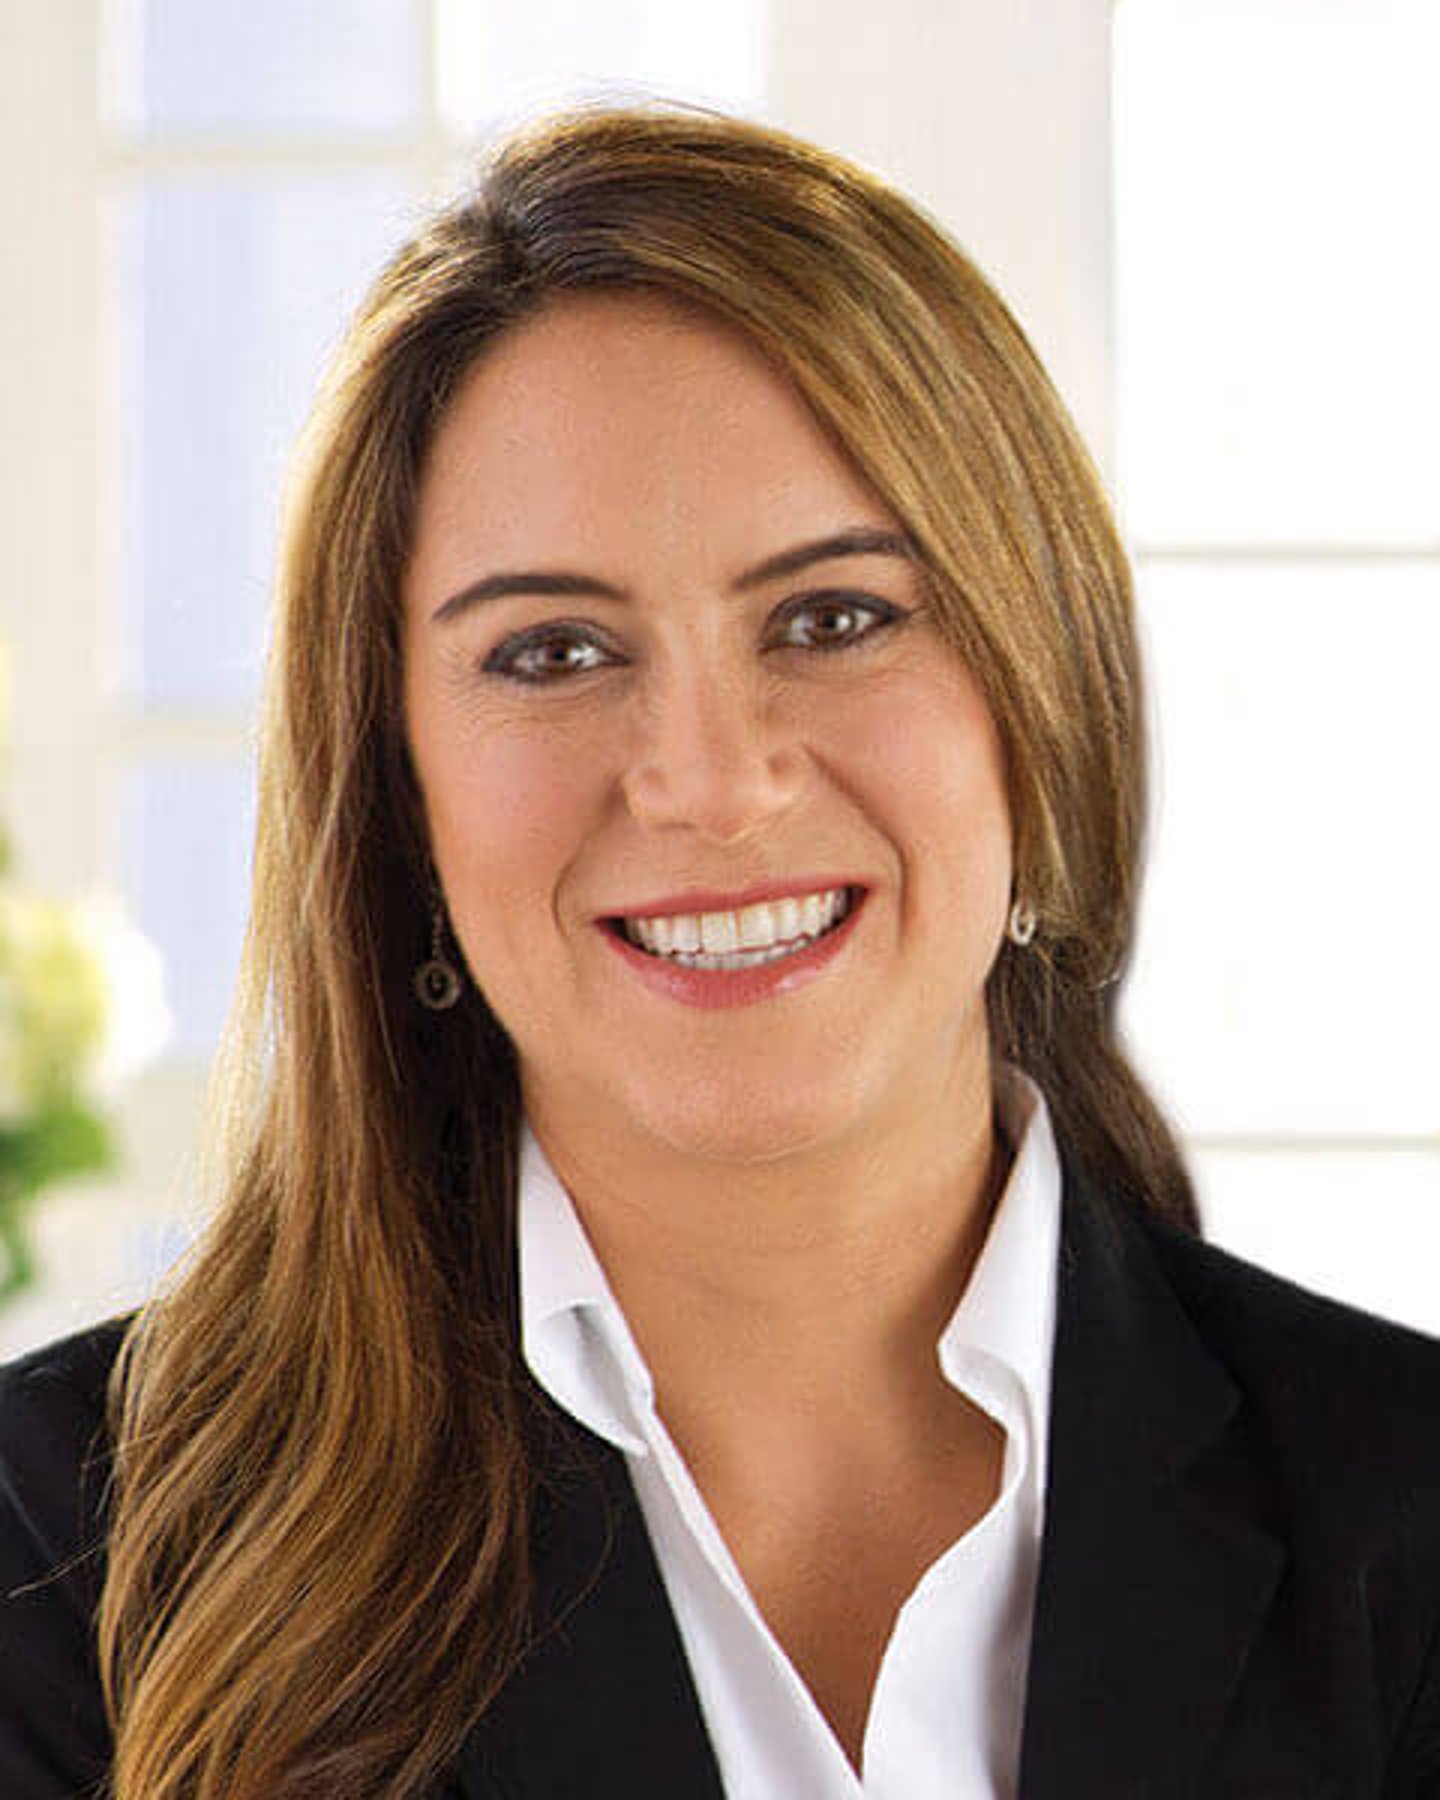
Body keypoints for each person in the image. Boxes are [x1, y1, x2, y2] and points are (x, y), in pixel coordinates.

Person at [2, 103, 1438, 1800]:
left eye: (833, 618)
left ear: (1037, 694)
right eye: (551, 651)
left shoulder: (1405, 1521)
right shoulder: (60, 1564)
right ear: (396, 792)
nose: (711, 782)